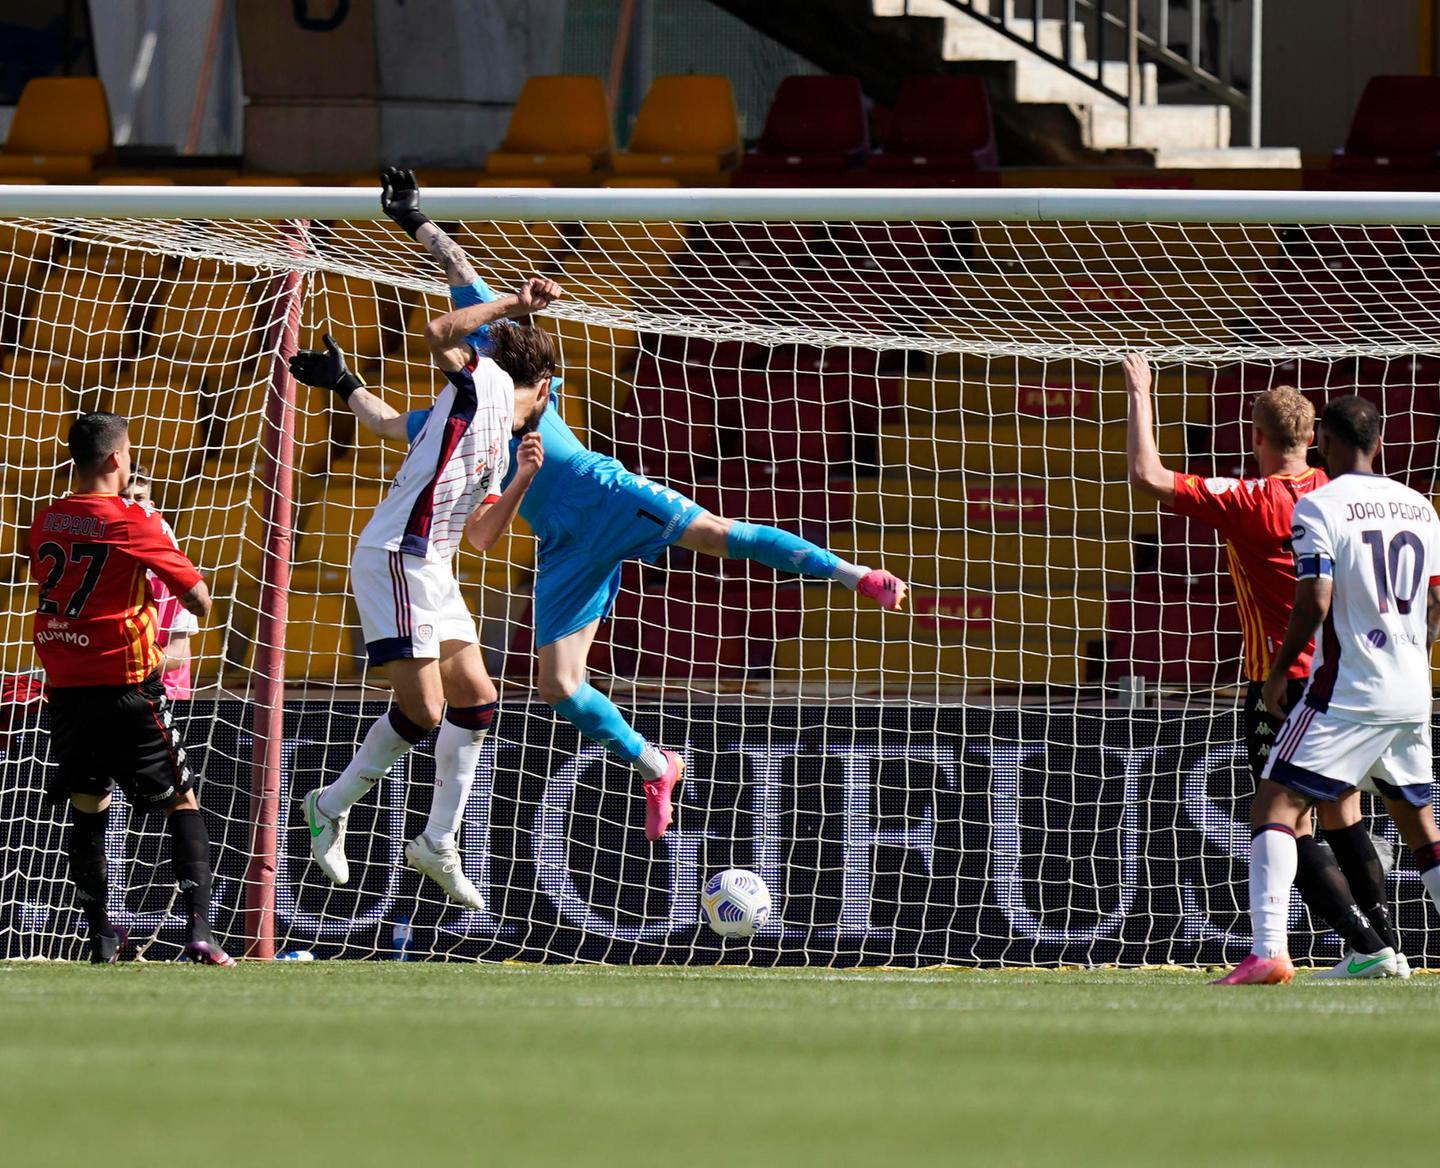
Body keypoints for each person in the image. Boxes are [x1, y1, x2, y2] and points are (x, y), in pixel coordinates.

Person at [367, 168, 909, 843]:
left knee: (717, 534)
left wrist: (414, 217)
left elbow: (456, 266)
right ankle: (656, 766)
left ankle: (855, 576)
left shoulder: (510, 362)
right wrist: (342, 382)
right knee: (558, 687)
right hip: (564, 544)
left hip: (609, 496)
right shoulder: (459, 408)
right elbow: (391, 422)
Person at [1125, 354, 1404, 976]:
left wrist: (1141, 392)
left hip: (1283, 679)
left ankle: (1365, 947)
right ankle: (1390, 945)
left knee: (1284, 821)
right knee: (1343, 812)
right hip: (1354, 675)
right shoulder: (1340, 497)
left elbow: (1148, 474)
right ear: (1313, 439)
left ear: (1257, 439)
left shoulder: (1248, 499)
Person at [287, 266, 555, 910]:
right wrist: (515, 303)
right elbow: (438, 329)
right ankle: (329, 804)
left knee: (478, 699)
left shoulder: (498, 438)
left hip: (433, 565)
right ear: (543, 387)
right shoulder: (482, 382)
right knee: (426, 711)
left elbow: (484, 536)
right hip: (396, 555)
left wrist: (521, 478)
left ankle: (438, 841)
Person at [1216, 395, 1440, 984]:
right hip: (1412, 685)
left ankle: (1268, 951)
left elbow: (1314, 601)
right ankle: (1378, 950)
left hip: (1347, 686)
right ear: (1381, 444)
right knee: (1420, 827)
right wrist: (1415, 653)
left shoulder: (1318, 507)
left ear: (1326, 444)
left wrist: (1276, 671)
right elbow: (1436, 603)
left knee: (1276, 808)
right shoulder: (1420, 508)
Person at [29, 413, 232, 965]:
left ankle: (99, 937)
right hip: (126, 685)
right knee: (181, 801)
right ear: (118, 459)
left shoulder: (46, 518)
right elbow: (197, 597)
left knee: (87, 803)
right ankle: (200, 932)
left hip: (67, 688)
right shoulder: (133, 520)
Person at [122, 466, 198, 700]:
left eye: (139, 498)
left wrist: (127, 671)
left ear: (152, 506)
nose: (133, 505)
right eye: (124, 498)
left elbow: (179, 653)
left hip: (168, 692)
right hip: (122, 690)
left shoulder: (174, 568)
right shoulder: (109, 570)